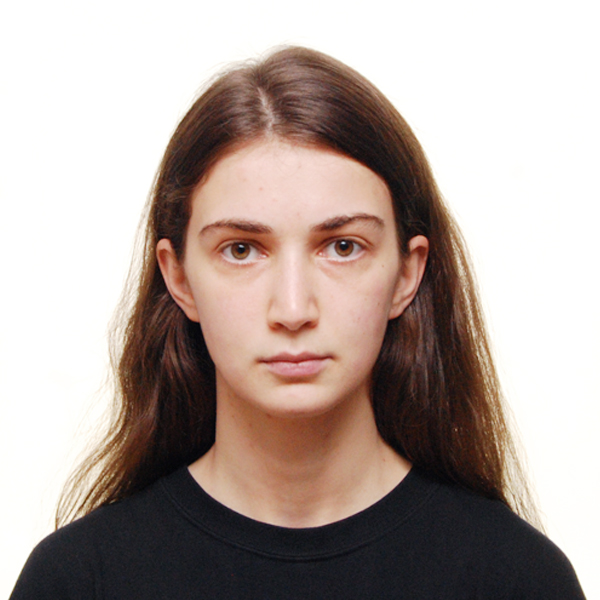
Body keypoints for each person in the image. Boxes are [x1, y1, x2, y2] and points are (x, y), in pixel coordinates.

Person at [10, 46, 585, 599]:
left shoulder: (517, 580)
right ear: (178, 277)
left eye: (342, 247)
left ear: (406, 274)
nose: (292, 310)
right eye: (241, 250)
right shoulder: (79, 581)